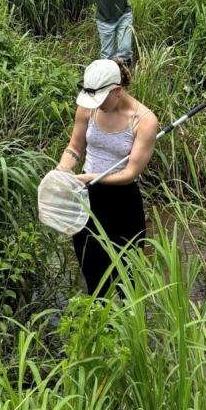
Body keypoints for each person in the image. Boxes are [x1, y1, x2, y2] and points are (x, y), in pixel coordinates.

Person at [54, 57, 159, 295]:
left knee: (126, 281)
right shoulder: (88, 107)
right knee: (93, 276)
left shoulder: (144, 121)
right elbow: (74, 148)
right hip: (88, 199)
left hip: (123, 202)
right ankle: (99, 327)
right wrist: (63, 169)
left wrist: (90, 177)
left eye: (102, 100)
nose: (97, 105)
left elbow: (130, 172)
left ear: (117, 90)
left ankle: (128, 330)